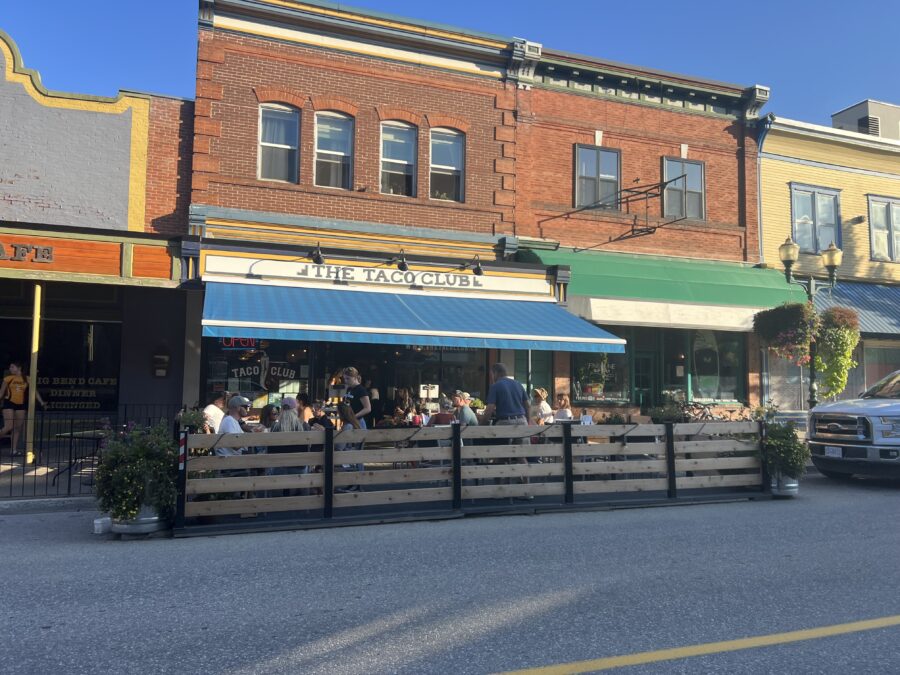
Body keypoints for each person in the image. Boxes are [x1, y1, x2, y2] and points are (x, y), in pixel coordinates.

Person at [481, 363, 531, 497]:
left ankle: (500, 490)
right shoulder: (518, 384)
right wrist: (528, 421)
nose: (491, 377)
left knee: (500, 455)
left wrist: (482, 425)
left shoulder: (495, 386)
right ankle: (527, 491)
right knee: (521, 456)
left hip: (505, 422)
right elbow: (528, 406)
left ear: (495, 373)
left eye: (491, 375)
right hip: (521, 421)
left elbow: (489, 409)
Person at [0, 361, 45, 456]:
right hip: (9, 403)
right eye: (10, 367)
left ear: (19, 368)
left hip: (21, 404)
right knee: (8, 426)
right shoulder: (7, 378)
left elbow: (34, 391)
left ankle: (13, 450)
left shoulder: (27, 378)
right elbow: (1, 393)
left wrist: (41, 402)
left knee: (17, 428)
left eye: (12, 367)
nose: (10, 369)